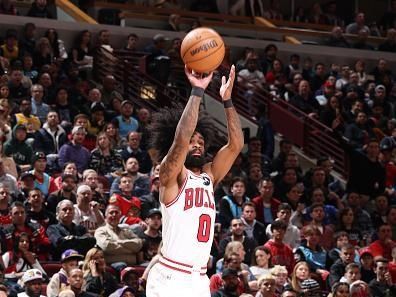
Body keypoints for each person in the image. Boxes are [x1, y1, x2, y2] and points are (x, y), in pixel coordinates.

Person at [146, 65, 243, 297]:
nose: (197, 144)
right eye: (193, 140)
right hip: (170, 276)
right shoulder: (171, 175)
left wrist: (227, 101)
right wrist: (197, 92)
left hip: (199, 278)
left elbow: (236, 145)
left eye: (201, 141)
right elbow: (181, 138)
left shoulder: (209, 175)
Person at [94, 204, 143, 270]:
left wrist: (118, 242)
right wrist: (130, 248)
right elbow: (107, 246)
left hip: (133, 265)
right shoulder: (101, 230)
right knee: (121, 265)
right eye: (111, 213)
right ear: (106, 216)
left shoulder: (126, 230)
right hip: (113, 266)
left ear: (120, 215)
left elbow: (138, 244)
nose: (114, 215)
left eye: (116, 213)